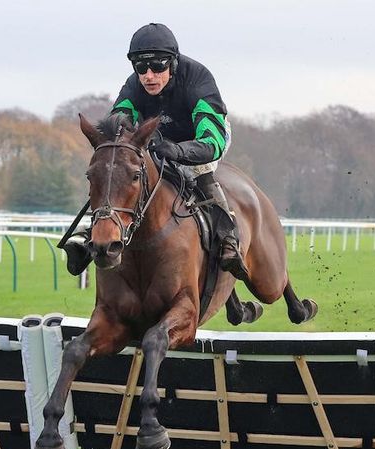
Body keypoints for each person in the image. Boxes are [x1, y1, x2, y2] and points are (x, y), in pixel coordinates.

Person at [62, 22, 249, 280]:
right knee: (120, 170)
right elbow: (117, 125)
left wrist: (178, 150)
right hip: (156, 139)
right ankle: (91, 235)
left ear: (172, 63)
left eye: (157, 66)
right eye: (141, 67)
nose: (149, 75)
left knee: (199, 172)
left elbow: (211, 142)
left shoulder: (198, 79)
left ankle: (228, 240)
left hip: (200, 139)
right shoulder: (134, 85)